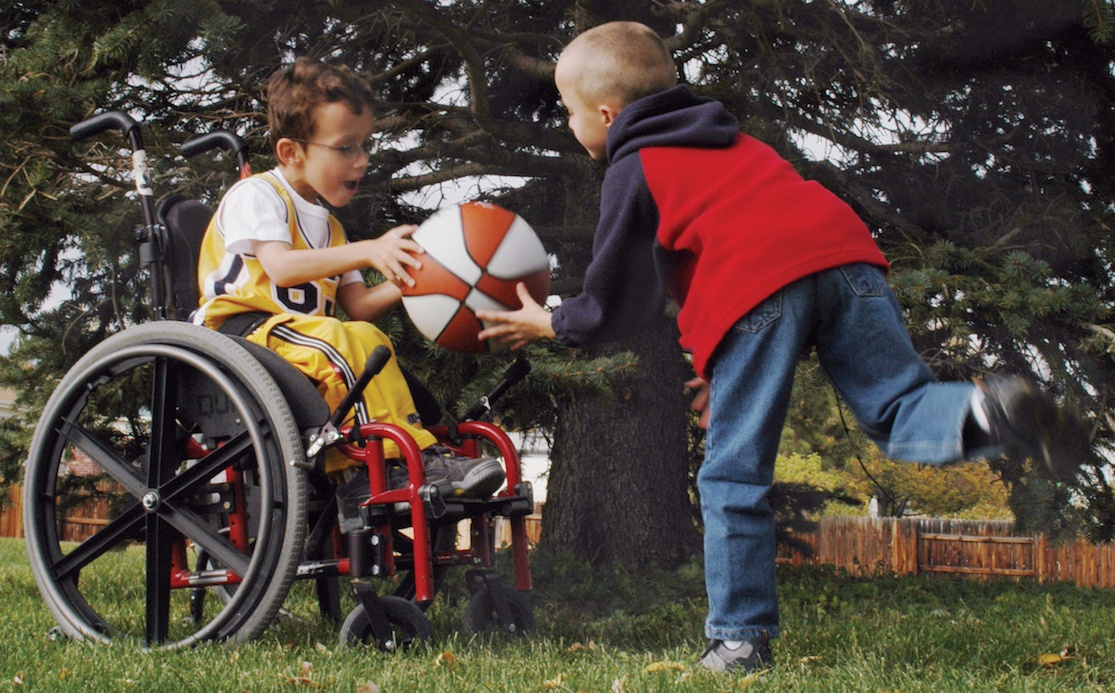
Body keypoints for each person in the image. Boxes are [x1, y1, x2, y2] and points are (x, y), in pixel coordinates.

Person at [476, 21, 1089, 674]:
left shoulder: (635, 164)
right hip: (843, 252)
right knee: (898, 405)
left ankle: (738, 640)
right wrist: (721, 366)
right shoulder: (726, 139)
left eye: (569, 112)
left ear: (606, 113)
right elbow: (749, 250)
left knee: (730, 474)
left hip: (760, 282)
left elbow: (617, 300)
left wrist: (550, 321)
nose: (570, 125)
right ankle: (987, 411)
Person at [193, 57, 504, 527]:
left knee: (366, 338)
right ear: (291, 151)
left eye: (365, 146)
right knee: (347, 339)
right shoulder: (257, 195)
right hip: (242, 337)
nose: (361, 160)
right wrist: (367, 251)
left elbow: (358, 305)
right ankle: (375, 469)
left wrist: (411, 280)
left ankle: (400, 460)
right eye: (345, 148)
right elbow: (279, 267)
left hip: (296, 342)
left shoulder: (332, 227)